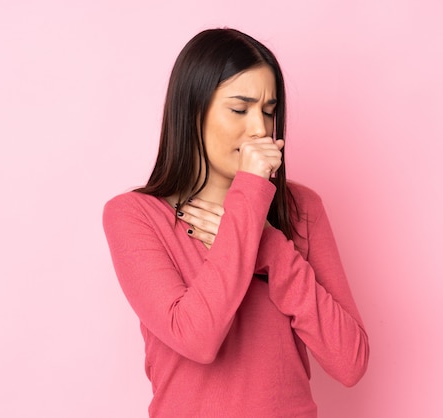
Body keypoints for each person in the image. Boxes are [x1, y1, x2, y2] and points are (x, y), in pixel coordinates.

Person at [103, 28, 369, 417]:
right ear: (193, 109)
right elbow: (197, 339)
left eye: (269, 110)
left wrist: (272, 250)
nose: (260, 129)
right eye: (240, 109)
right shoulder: (135, 216)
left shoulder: (301, 209)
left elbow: (350, 362)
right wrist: (248, 200)